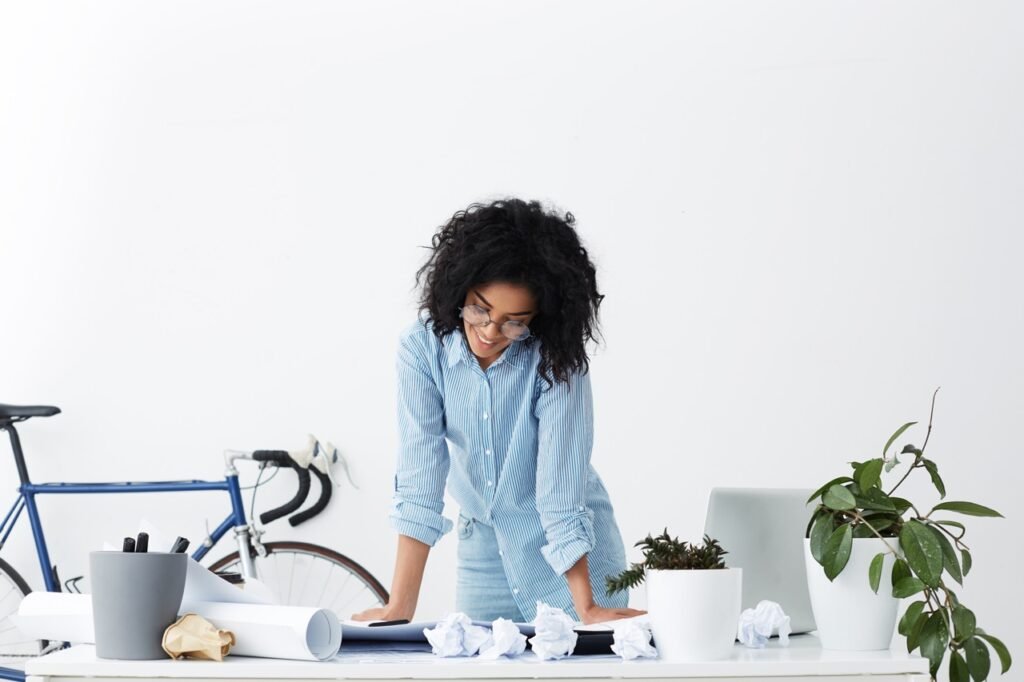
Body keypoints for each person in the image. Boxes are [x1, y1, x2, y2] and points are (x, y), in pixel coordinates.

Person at [352, 198, 645, 625]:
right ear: (458, 288)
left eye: (514, 322)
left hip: (573, 555)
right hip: (483, 551)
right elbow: (421, 479)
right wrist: (400, 606)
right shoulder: (421, 349)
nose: (490, 332)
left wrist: (586, 606)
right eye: (479, 309)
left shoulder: (556, 359)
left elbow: (561, 490)